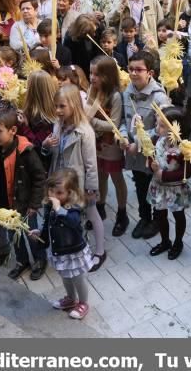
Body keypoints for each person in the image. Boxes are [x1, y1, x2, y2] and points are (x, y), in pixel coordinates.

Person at [0, 110, 47, 272]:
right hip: (5, 204)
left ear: (13, 131)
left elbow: (39, 178)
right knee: (13, 235)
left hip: (25, 204)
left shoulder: (25, 151)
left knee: (30, 233)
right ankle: (22, 261)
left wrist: (34, 204)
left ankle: (40, 260)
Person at [44, 84, 105, 272]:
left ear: (74, 105)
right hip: (60, 180)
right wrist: (46, 145)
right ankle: (71, 249)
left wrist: (91, 188)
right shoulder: (58, 125)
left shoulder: (84, 131)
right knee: (66, 215)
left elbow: (91, 164)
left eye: (62, 106)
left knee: (91, 213)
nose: (57, 110)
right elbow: (53, 152)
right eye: (56, 106)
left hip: (77, 182)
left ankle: (100, 251)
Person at [119, 50, 170, 239]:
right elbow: (123, 121)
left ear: (150, 73)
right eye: (130, 69)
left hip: (152, 152)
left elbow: (161, 130)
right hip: (134, 152)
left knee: (153, 185)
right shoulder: (127, 93)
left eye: (138, 69)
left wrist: (138, 143)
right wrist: (123, 136)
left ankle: (157, 219)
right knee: (140, 185)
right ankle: (144, 217)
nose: (133, 73)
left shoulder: (159, 98)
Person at [32, 169, 94, 320]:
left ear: (71, 193)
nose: (53, 196)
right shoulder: (50, 207)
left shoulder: (73, 208)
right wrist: (40, 235)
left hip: (74, 251)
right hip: (60, 250)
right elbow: (47, 225)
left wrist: (59, 209)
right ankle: (70, 299)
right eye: (51, 192)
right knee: (65, 277)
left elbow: (74, 223)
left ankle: (83, 303)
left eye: (59, 193)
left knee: (78, 279)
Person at [87, 56, 129, 236]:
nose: (92, 78)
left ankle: (122, 213)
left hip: (111, 145)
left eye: (97, 74)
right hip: (96, 143)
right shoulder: (94, 90)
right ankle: (100, 206)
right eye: (91, 73)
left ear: (108, 76)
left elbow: (114, 125)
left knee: (116, 177)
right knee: (101, 176)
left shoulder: (115, 96)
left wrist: (91, 120)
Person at [147, 106, 191, 259]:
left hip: (175, 189)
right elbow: (151, 155)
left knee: (178, 215)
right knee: (160, 214)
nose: (157, 128)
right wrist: (151, 164)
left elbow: (186, 172)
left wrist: (164, 175)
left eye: (161, 125)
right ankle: (165, 241)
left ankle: (178, 242)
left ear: (175, 128)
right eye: (157, 124)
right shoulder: (158, 141)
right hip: (159, 187)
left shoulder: (185, 148)